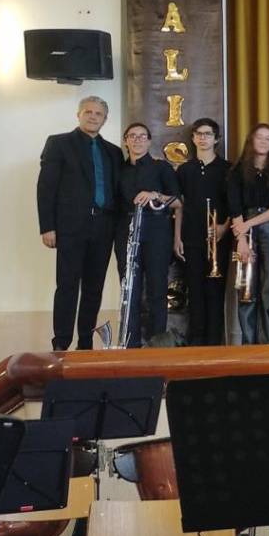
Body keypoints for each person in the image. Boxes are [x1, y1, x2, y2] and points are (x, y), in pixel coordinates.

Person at [37, 96, 123, 351]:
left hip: (104, 227)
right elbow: (46, 188)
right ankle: (61, 344)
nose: (93, 116)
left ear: (105, 119)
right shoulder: (59, 143)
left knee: (94, 288)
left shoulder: (114, 152)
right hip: (70, 228)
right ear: (79, 114)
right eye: (88, 112)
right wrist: (47, 226)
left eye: (99, 113)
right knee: (67, 286)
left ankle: (85, 343)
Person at [114, 122, 180, 347]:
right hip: (126, 233)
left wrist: (155, 195)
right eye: (132, 136)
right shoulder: (119, 170)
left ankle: (157, 346)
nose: (137, 140)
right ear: (125, 141)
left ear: (150, 141)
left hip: (156, 232)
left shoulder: (162, 168)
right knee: (129, 290)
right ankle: (129, 345)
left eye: (142, 136)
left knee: (156, 290)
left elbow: (178, 201)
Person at [228, 123, 269, 344]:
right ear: (251, 141)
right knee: (246, 286)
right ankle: (248, 343)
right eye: (259, 137)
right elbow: (234, 206)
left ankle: (267, 344)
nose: (263, 141)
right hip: (242, 228)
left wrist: (248, 225)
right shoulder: (236, 172)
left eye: (268, 138)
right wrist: (241, 239)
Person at [173, 118, 231, 346]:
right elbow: (179, 206)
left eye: (208, 134)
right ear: (193, 138)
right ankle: (196, 348)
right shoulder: (185, 170)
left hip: (219, 241)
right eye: (198, 134)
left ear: (216, 139)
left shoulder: (227, 168)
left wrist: (223, 228)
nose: (203, 138)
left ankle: (215, 347)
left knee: (215, 295)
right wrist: (177, 237)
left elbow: (233, 205)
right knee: (195, 295)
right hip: (191, 239)